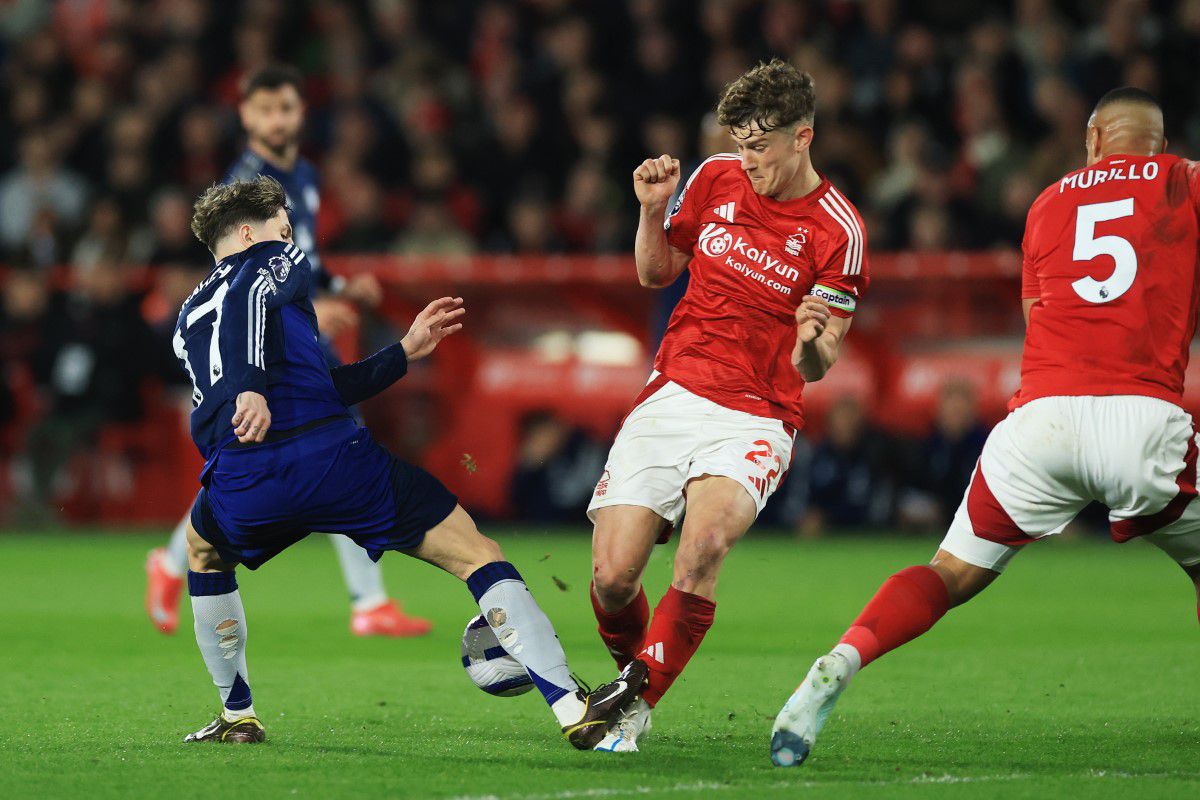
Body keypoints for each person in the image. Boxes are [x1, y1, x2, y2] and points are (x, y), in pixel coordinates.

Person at [770, 87, 1200, 768]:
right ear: (1163, 145)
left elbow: (1039, 316)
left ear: (1092, 141)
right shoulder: (1186, 181)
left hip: (1040, 421)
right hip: (1141, 417)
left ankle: (844, 658)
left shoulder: (1048, 203)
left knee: (946, 573)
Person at [176, 176, 639, 746]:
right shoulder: (272, 259)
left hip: (245, 477)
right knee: (477, 555)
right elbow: (251, 300)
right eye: (283, 225)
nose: (292, 237)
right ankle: (572, 707)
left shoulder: (190, 312)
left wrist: (403, 353)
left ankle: (237, 714)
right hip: (331, 461)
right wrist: (249, 385)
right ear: (249, 231)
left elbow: (320, 385)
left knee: (203, 552)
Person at [585, 59, 870, 752]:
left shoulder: (839, 230)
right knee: (614, 577)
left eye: (761, 146)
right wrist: (653, 209)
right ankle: (636, 688)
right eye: (740, 142)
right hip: (674, 390)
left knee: (704, 546)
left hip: (759, 412)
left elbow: (821, 358)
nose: (749, 159)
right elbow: (656, 273)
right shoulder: (715, 178)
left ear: (803, 138)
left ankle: (632, 703)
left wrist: (809, 343)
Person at [144, 65, 429, 639]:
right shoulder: (243, 185)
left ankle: (364, 599)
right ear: (246, 116)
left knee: (319, 439)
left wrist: (342, 288)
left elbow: (302, 261)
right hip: (261, 337)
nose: (278, 119)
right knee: (317, 441)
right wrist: (299, 312)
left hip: (290, 325)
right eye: (266, 109)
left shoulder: (303, 177)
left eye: (288, 108)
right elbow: (236, 277)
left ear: (302, 114)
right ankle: (364, 599)